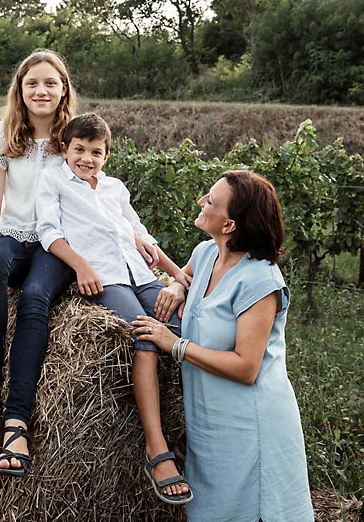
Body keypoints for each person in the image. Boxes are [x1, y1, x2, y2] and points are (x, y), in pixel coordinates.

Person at [133, 171, 314, 521]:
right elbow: (185, 279)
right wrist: (176, 288)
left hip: (253, 425)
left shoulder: (259, 280)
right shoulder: (205, 254)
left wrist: (176, 345)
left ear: (229, 225)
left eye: (211, 201)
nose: (201, 201)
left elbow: (247, 368)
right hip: (210, 424)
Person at [35, 113, 194, 504]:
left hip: (140, 274)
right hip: (105, 276)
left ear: (106, 155)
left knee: (183, 327)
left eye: (96, 152)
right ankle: (156, 449)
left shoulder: (115, 188)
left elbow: (140, 235)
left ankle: (203, 433)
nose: (87, 158)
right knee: (144, 335)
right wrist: (81, 265)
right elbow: (48, 231)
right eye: (80, 150)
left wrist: (178, 277)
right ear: (65, 149)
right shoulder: (54, 179)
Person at [0, 49, 77, 477]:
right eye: (32, 83)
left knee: (35, 297)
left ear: (64, 88)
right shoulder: (3, 135)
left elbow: (96, 197)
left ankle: (18, 421)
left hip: (57, 246)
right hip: (14, 238)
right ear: (20, 89)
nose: (41, 90)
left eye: (50, 82)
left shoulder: (74, 137)